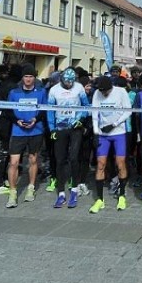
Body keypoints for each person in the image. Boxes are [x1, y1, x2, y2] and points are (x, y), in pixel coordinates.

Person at [3, 63, 47, 208]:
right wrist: (17, 121)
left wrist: (36, 119)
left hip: (36, 130)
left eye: (31, 77)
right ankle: (13, 192)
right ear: (22, 78)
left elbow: (44, 110)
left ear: (34, 78)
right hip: (18, 131)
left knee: (33, 160)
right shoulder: (14, 93)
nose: (28, 79)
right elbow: (8, 111)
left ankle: (31, 187)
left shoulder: (40, 92)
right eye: (26, 76)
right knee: (14, 162)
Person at [47, 68, 90, 209]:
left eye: (71, 82)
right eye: (66, 82)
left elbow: (86, 106)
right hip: (60, 128)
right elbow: (50, 110)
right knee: (60, 160)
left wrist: (81, 119)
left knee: (73, 157)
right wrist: (52, 128)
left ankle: (74, 188)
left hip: (75, 127)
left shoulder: (79, 88)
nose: (69, 85)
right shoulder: (54, 90)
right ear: (61, 80)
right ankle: (60, 192)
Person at [88, 76, 133, 214]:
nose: (103, 94)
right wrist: (96, 132)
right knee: (101, 164)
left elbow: (128, 111)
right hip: (103, 134)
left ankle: (122, 195)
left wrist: (114, 124)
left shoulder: (121, 92)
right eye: (101, 92)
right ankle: (100, 200)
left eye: (105, 92)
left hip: (118, 132)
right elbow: (95, 113)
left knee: (120, 163)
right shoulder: (97, 93)